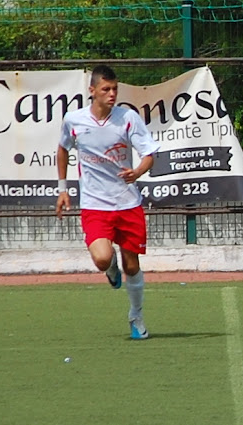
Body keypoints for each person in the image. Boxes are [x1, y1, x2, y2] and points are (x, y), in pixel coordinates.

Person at [55, 65, 160, 340]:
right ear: (92, 91)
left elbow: (149, 154)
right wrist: (62, 189)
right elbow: (63, 148)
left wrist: (137, 172)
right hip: (95, 204)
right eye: (106, 89)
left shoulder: (128, 118)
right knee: (102, 259)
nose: (112, 94)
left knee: (132, 266)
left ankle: (136, 316)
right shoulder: (74, 120)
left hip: (127, 203)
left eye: (115, 89)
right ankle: (110, 267)